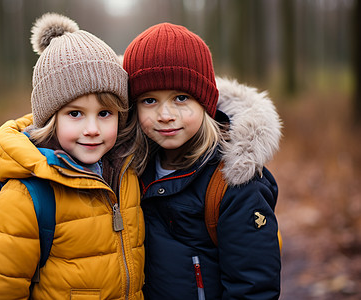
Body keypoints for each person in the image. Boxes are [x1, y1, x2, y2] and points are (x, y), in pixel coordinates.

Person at [0, 13, 144, 299]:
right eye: (75, 114)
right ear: (50, 118)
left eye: (105, 114)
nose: (92, 129)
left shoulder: (127, 172)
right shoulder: (26, 197)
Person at [121, 22, 282, 299]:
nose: (166, 114)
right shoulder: (131, 168)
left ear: (206, 102)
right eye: (149, 100)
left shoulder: (233, 183)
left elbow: (253, 287)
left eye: (181, 98)